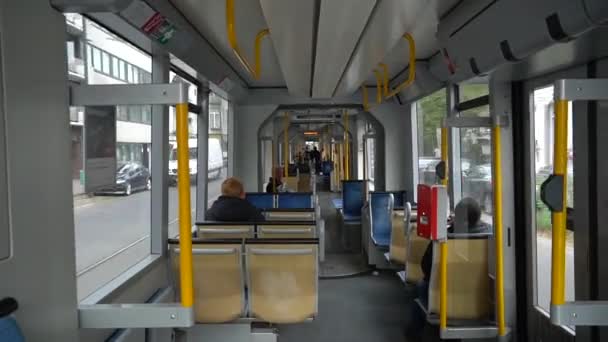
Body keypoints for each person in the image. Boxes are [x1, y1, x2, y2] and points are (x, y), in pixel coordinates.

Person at [406, 197, 489, 338]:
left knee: (420, 286)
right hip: (481, 297)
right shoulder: (489, 236)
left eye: (456, 215)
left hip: (447, 295)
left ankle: (414, 334)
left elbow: (426, 266)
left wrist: (449, 229)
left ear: (464, 221)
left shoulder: (446, 239)